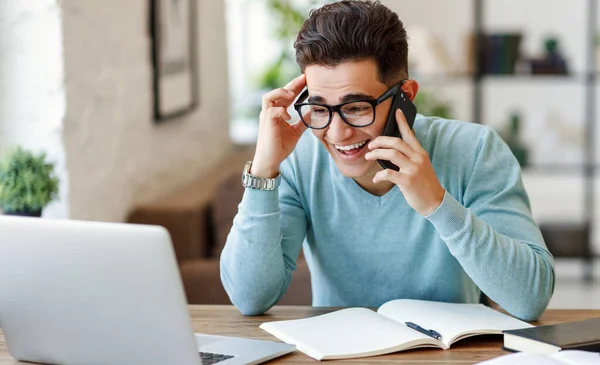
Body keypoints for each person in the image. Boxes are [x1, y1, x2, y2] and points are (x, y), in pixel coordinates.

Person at [220, 0, 554, 320]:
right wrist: (264, 171)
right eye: (320, 108)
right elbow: (251, 298)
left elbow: (530, 300)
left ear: (405, 96)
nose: (337, 134)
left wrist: (437, 205)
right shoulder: (300, 160)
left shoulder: (475, 150)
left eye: (356, 108)